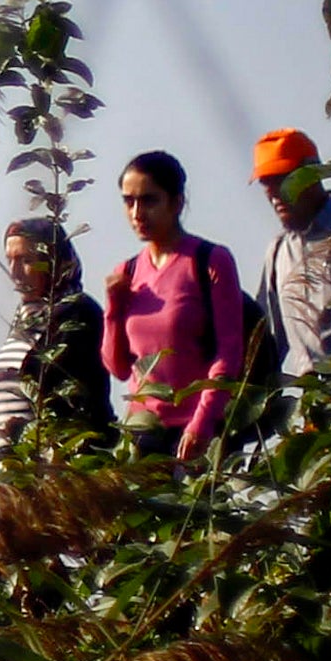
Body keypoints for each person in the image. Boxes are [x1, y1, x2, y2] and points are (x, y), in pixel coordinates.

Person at [99, 151, 247, 462]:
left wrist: (202, 424)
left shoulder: (209, 260)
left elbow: (229, 353)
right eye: (129, 201)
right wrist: (113, 308)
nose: (137, 212)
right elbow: (118, 367)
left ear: (176, 203)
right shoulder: (127, 272)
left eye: (149, 200)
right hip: (143, 431)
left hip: (198, 430)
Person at [0, 215, 113, 451]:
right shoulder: (22, 319)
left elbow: (75, 395)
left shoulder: (77, 312)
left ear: (53, 261)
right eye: (10, 260)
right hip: (11, 467)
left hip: (54, 462)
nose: (15, 272)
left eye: (25, 260)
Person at [250, 128, 331, 379]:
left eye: (283, 179)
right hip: (314, 406)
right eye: (266, 183)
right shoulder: (278, 253)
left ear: (314, 175)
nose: (274, 193)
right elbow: (265, 345)